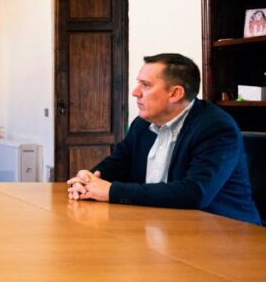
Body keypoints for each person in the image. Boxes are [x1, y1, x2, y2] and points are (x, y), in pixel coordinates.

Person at [67, 53, 261, 225]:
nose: (135, 92)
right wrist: (87, 180)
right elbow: (116, 164)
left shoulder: (216, 128)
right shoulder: (142, 124)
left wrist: (111, 191)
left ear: (175, 93)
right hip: (164, 226)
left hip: (225, 237)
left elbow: (194, 193)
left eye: (145, 85)